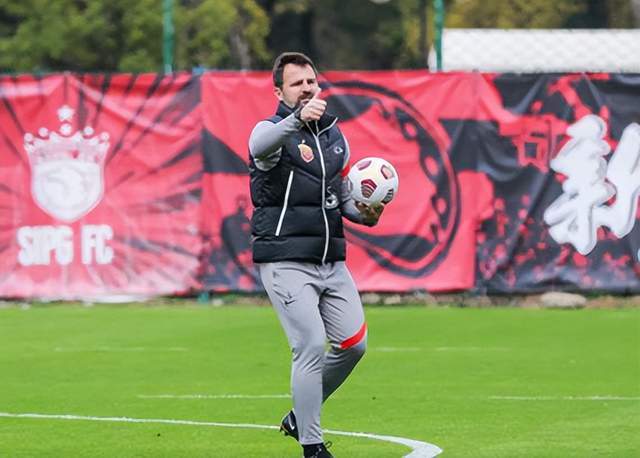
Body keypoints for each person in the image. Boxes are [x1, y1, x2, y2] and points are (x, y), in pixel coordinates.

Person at [248, 52, 384, 458]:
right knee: (309, 345)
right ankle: (312, 445)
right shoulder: (272, 131)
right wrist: (296, 119)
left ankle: (298, 417)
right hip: (285, 259)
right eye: (297, 83)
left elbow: (339, 198)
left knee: (354, 344)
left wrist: (366, 214)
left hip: (330, 261)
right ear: (279, 92)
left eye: (311, 81)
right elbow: (258, 145)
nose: (306, 88)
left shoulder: (333, 135)